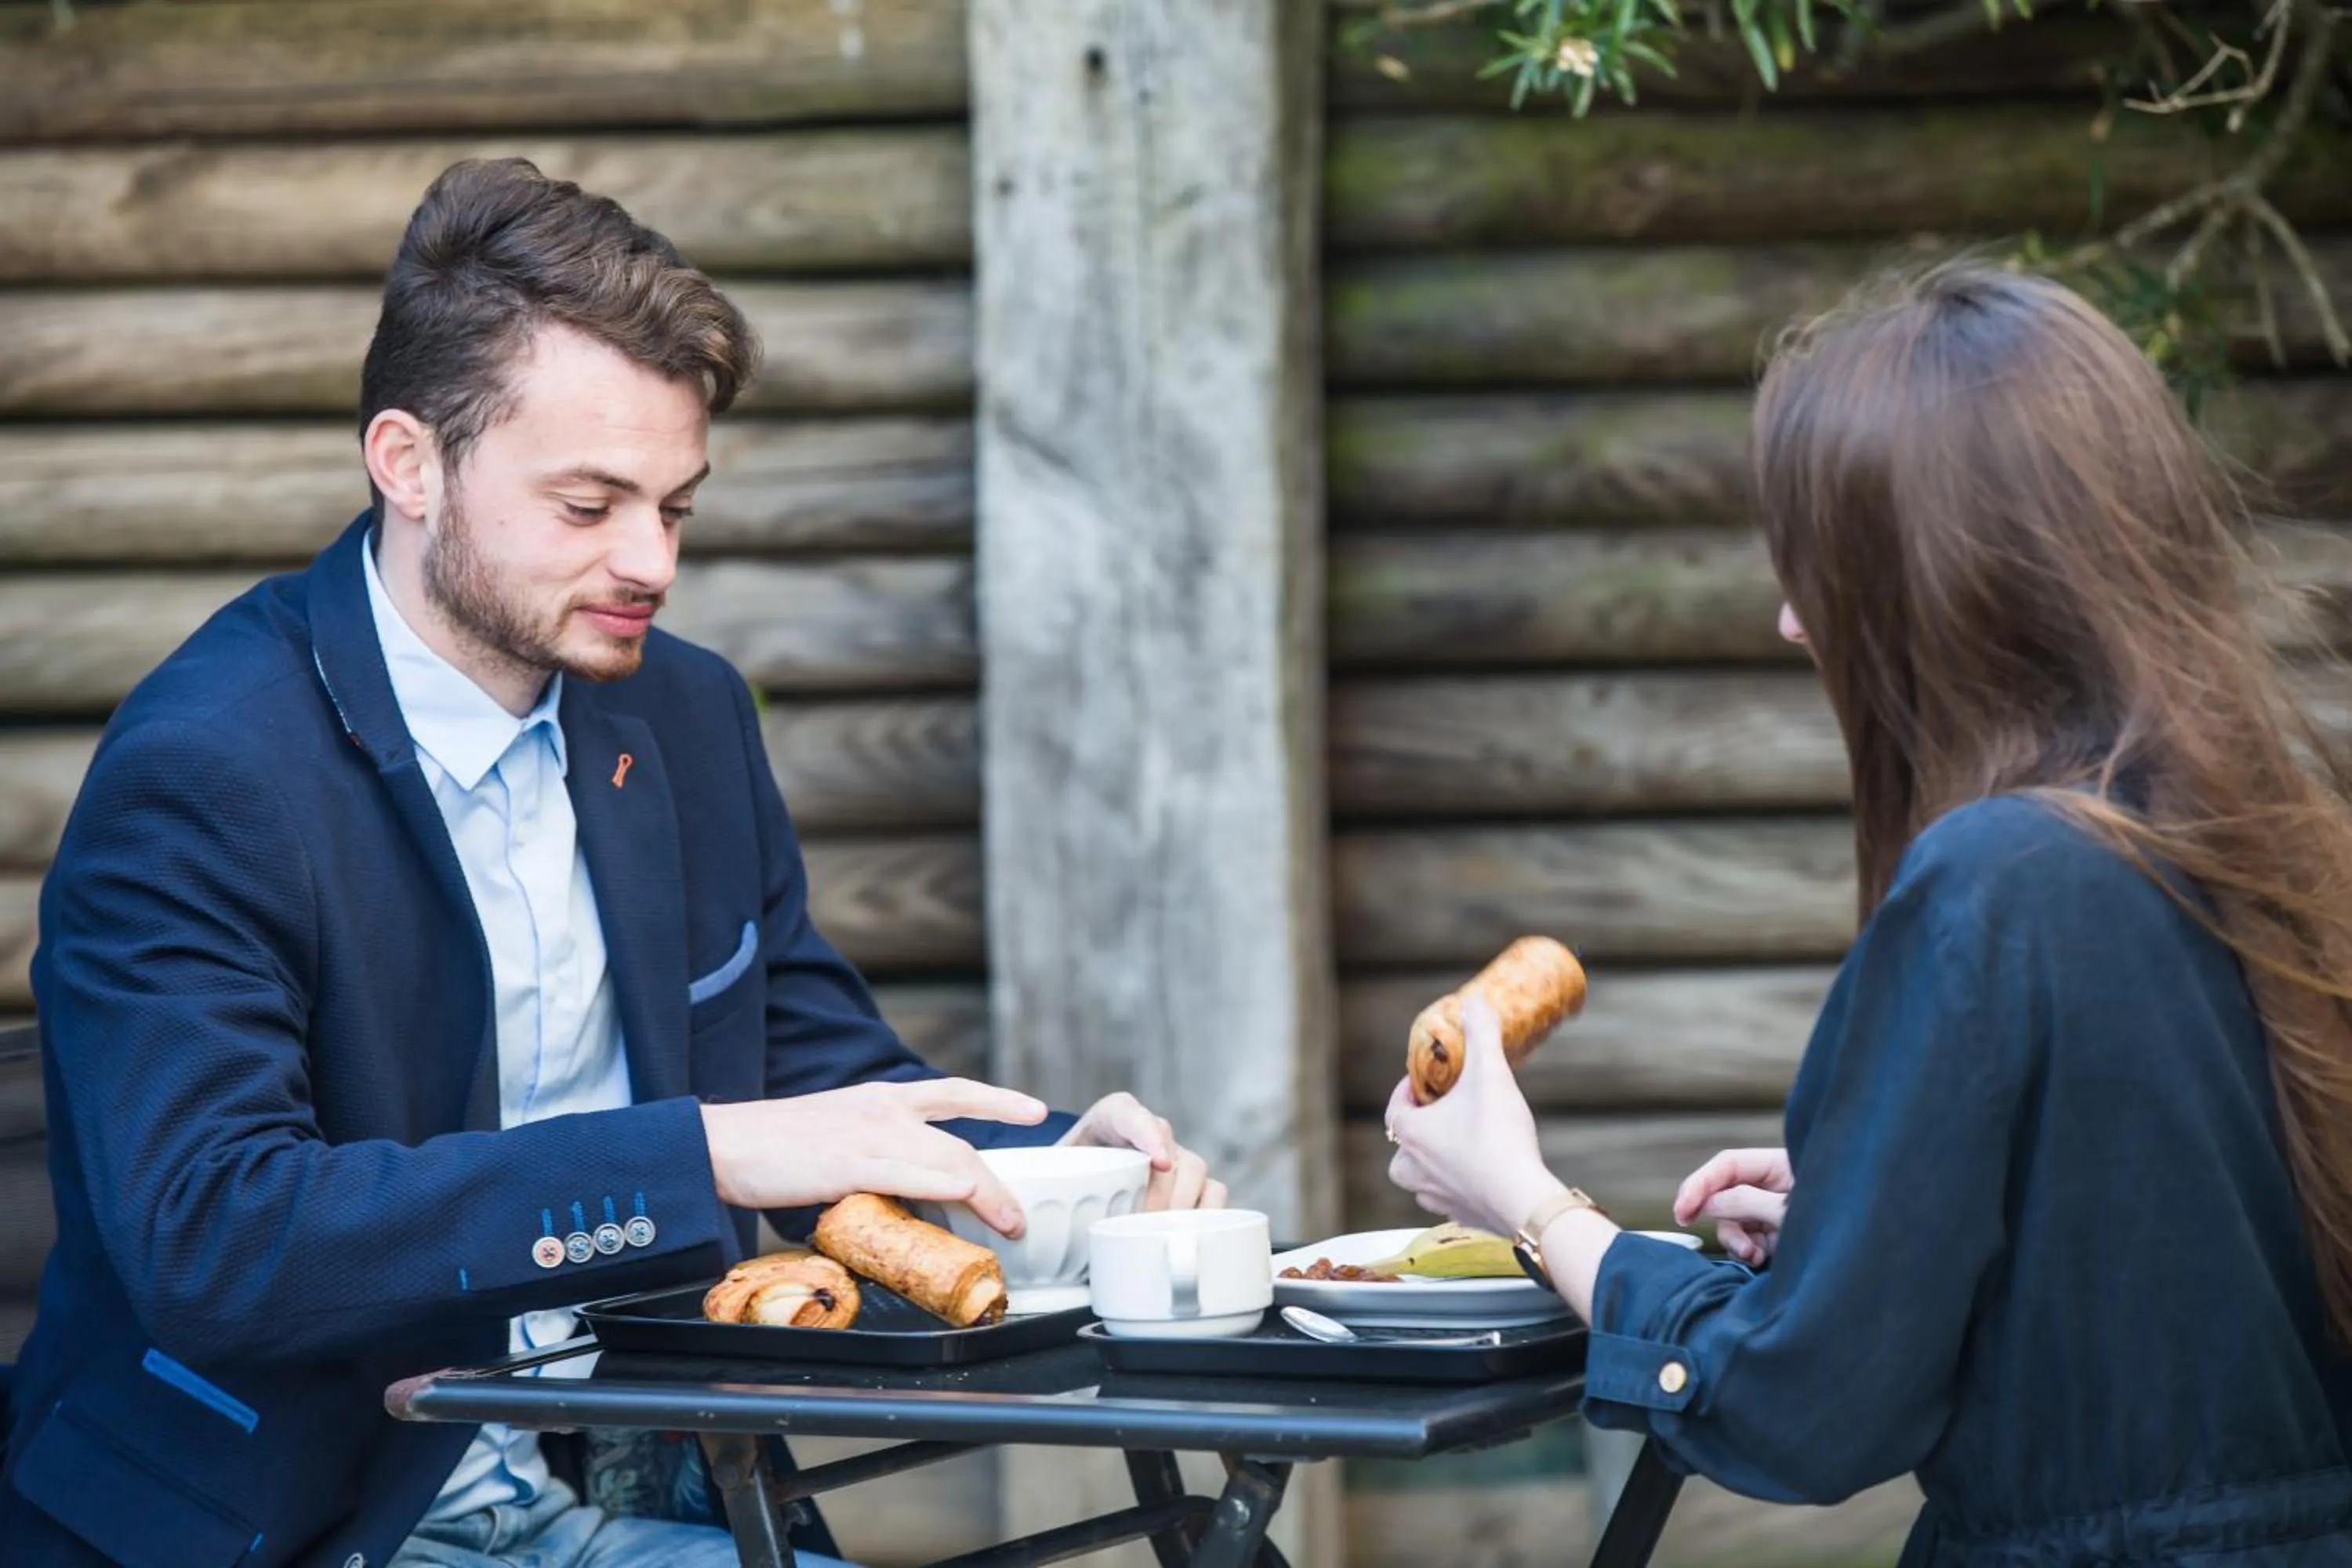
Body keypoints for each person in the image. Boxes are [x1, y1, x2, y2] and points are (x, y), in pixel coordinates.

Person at [1, 158, 1225, 1568]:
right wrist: (693, 1155)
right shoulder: (208, 767)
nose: (651, 558)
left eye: (677, 506)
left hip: (650, 1489)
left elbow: (813, 1075)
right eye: (589, 506)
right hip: (295, 1521)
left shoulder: (683, 715)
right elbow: (215, 1239)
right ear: (408, 462)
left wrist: (1054, 1169)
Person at [1385, 263, 2352, 1564]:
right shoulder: (2259, 837)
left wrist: (1529, 1200)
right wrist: (1886, 1212)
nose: (1791, 620)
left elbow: (1805, 1411)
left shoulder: (1993, 884)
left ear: (1940, 585)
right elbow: (2171, 1261)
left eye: (1819, 572)